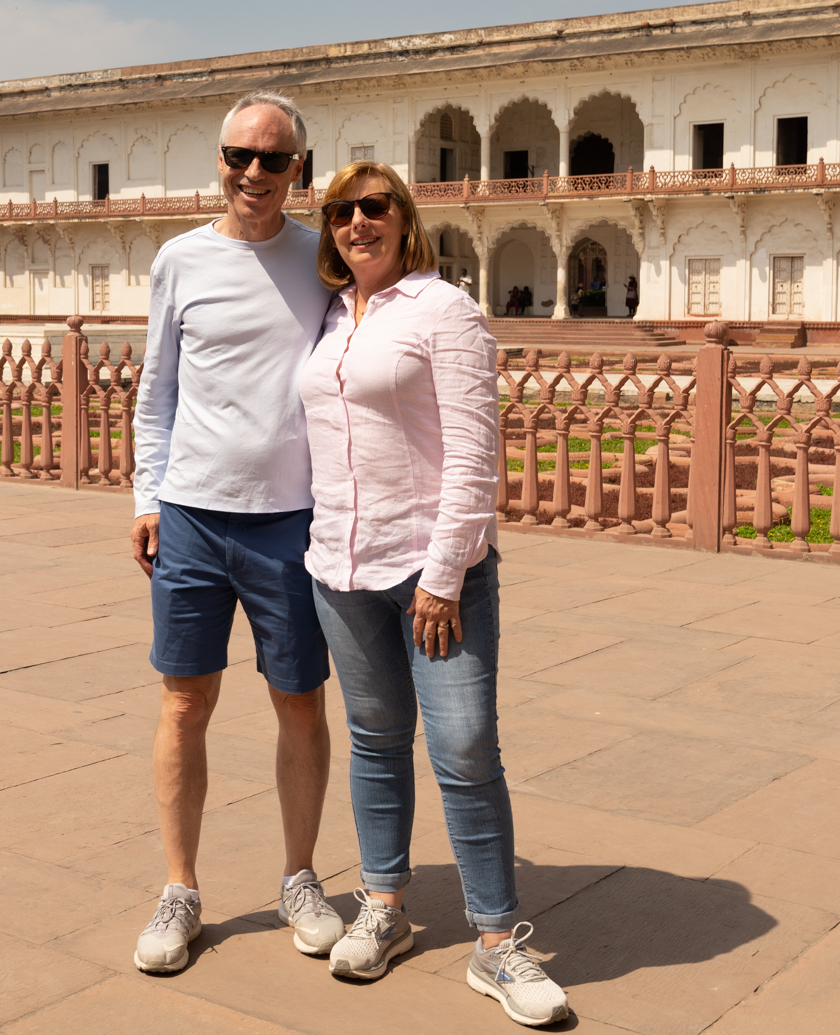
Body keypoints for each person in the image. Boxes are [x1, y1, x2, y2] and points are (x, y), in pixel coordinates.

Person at [302, 160, 569, 1027]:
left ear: (403, 217)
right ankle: (384, 906)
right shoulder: (331, 315)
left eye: (373, 208)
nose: (356, 224)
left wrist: (446, 575)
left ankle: (497, 942)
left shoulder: (443, 308)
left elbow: (473, 450)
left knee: (464, 750)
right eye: (341, 211)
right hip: (341, 566)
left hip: (430, 572)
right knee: (375, 742)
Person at [129, 91, 342, 974]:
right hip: (191, 513)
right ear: (218, 160)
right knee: (185, 703)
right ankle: (179, 888)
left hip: (290, 520)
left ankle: (299, 876)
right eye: (239, 156)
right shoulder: (179, 260)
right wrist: (146, 497)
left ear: (301, 168)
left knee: (298, 700)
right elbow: (158, 390)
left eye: (274, 159)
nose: (254, 173)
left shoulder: (321, 259)